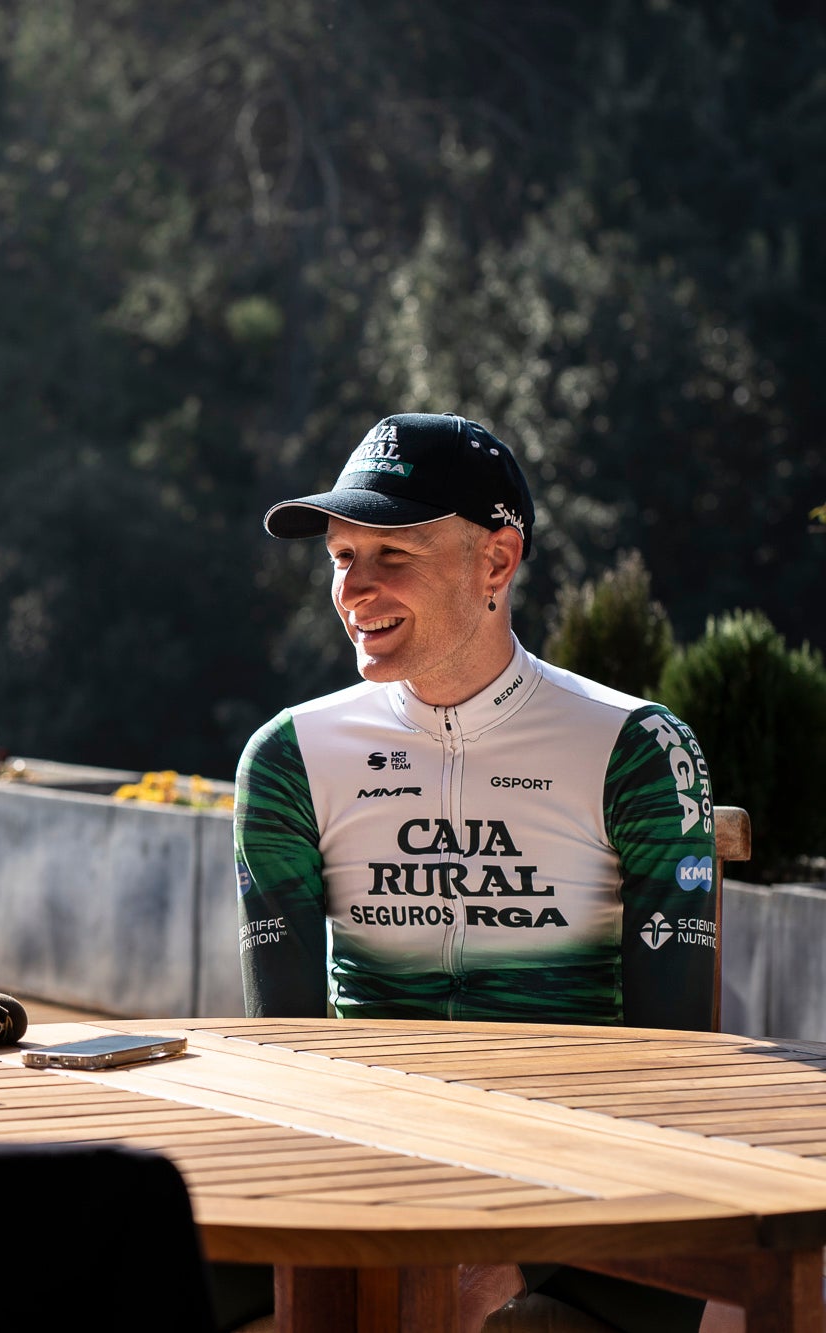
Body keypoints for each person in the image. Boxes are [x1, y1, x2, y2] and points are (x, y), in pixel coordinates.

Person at [230, 411, 722, 1331]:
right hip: (366, 1168)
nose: (355, 589)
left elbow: (675, 1066)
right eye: (342, 557)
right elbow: (284, 1058)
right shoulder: (289, 754)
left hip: (593, 1185)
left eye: (393, 554)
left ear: (497, 561)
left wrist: (515, 1251)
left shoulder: (639, 746)